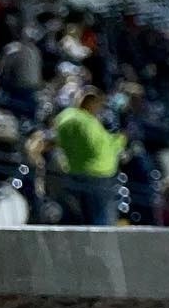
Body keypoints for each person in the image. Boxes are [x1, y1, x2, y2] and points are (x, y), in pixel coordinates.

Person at [53, 87, 126, 226]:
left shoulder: (65, 117)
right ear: (92, 103)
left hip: (74, 172)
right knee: (102, 219)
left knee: (79, 218)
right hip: (98, 175)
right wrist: (121, 140)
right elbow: (100, 146)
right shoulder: (88, 121)